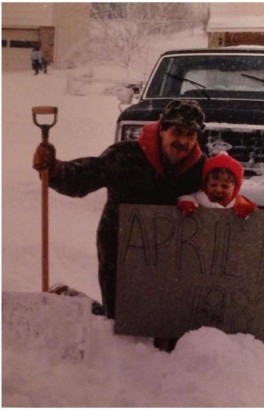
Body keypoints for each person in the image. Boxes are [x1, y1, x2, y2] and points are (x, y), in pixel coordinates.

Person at [32, 99, 207, 351]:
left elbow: (221, 193)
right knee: (120, 320)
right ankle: (69, 299)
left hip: (170, 254)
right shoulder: (126, 156)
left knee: (163, 318)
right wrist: (56, 169)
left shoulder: (199, 168)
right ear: (162, 129)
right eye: (177, 131)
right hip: (119, 247)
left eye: (190, 135)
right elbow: (84, 177)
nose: (183, 141)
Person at [177, 151, 257, 218]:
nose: (218, 190)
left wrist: (245, 210)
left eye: (225, 186)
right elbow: (188, 198)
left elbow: (247, 206)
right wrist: (187, 204)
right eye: (213, 185)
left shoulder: (237, 201)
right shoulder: (200, 198)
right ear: (205, 185)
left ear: (235, 188)